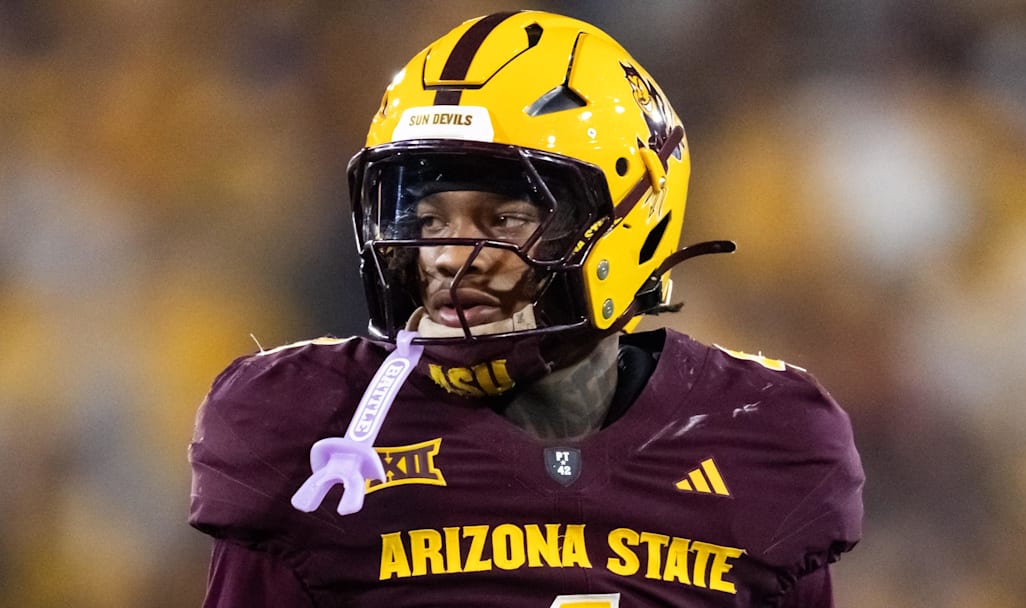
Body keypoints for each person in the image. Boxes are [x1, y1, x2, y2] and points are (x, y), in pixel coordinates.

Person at [188, 10, 863, 607]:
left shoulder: (765, 441)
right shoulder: (310, 430)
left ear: (629, 218)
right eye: (428, 221)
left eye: (504, 218)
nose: (449, 257)